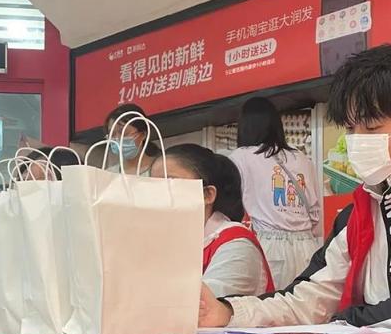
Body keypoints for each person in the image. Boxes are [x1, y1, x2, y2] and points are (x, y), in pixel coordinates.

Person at [200, 43, 391, 330]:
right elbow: (308, 299)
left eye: (371, 127)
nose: (358, 141)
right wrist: (227, 312)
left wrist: (341, 325)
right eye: (350, 129)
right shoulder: (360, 210)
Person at [150, 144, 273, 298]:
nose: (158, 193)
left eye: (170, 183)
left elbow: (200, 305)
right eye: (153, 186)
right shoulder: (166, 240)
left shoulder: (236, 244)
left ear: (207, 194)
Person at [230, 97, 320, 288]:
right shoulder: (300, 157)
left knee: (271, 303)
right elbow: (315, 212)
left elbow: (229, 205)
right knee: (309, 303)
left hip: (271, 248)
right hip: (308, 246)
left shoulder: (241, 157)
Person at [103, 103, 160, 175]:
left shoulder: (162, 169)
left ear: (142, 134)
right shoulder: (108, 174)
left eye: (124, 132)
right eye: (112, 134)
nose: (117, 139)